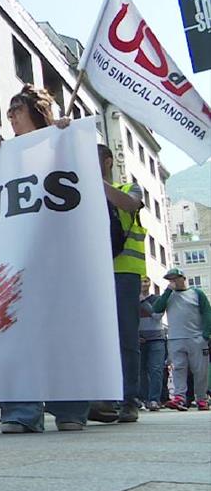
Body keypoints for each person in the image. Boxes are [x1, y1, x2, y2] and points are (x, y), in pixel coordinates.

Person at [0, 84, 89, 434]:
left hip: (59, 253)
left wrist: (68, 137)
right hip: (18, 254)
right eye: (9, 111)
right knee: (18, 328)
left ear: (36, 111)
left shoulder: (63, 141)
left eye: (16, 109)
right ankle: (21, 411)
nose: (10, 116)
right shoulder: (4, 152)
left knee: (62, 328)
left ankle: (70, 406)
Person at [85, 144, 147, 424]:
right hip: (91, 272)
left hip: (124, 273)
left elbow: (130, 204)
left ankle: (129, 400)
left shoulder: (129, 187)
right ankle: (105, 400)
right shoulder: (80, 190)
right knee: (97, 337)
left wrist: (93, 180)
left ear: (107, 161)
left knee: (125, 338)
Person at [151, 268, 211, 411]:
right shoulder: (169, 295)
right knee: (178, 368)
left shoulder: (197, 293)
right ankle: (179, 397)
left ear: (183, 278)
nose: (173, 281)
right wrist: (167, 292)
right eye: (170, 279)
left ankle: (202, 398)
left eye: (175, 278)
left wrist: (206, 335)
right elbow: (157, 309)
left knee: (200, 369)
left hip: (196, 337)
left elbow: (207, 313)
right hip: (175, 338)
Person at [138, 277, 166, 411]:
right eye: (142, 281)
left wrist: (142, 301)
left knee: (156, 370)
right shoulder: (131, 300)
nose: (144, 284)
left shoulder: (156, 299)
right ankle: (144, 399)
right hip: (140, 340)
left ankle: (154, 399)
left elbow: (156, 315)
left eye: (146, 281)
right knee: (140, 371)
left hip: (157, 339)